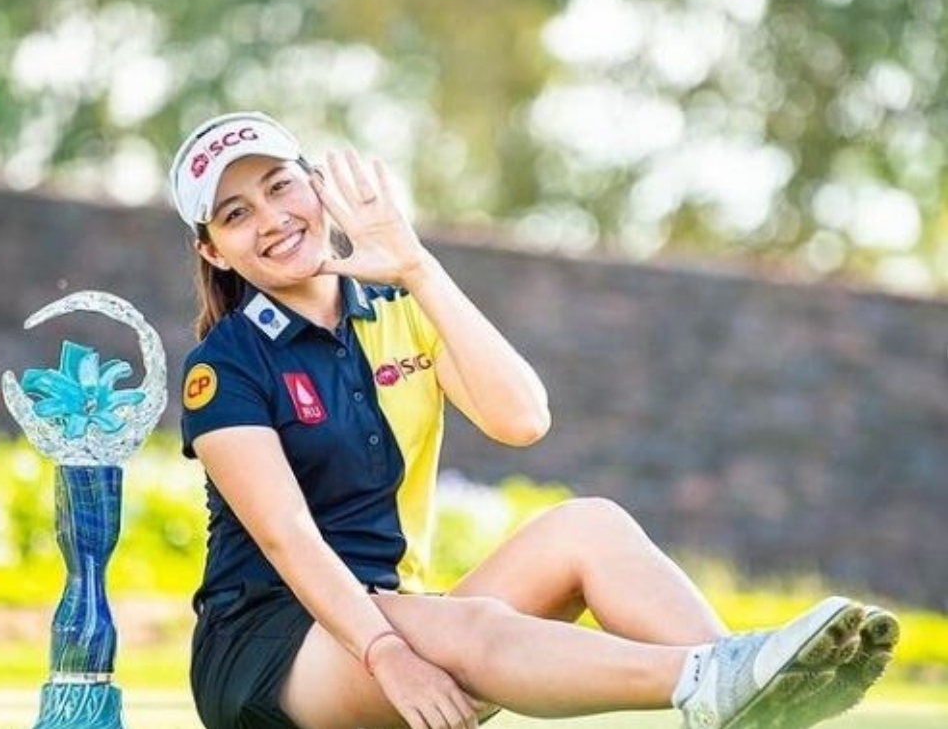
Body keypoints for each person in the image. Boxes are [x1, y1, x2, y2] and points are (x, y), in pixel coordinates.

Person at [168, 111, 898, 729]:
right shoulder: (224, 366)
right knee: (471, 625)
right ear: (212, 249)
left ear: (315, 185)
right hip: (271, 648)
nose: (271, 218)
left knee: (592, 526)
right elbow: (286, 536)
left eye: (279, 186)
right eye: (236, 214)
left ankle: (744, 696)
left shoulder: (399, 309)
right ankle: (715, 673)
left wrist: (417, 267)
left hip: (406, 613)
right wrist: (386, 654)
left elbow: (522, 418)